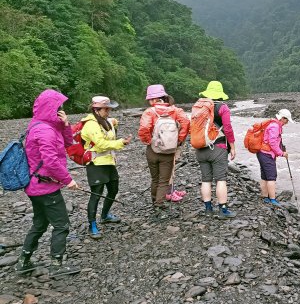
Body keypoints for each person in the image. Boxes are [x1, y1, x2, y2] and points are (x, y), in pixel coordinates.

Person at [16, 89, 80, 277]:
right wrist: (68, 180)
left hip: (35, 186)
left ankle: (23, 262)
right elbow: (51, 161)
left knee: (40, 223)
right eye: (59, 107)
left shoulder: (41, 125)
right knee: (61, 225)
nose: (61, 109)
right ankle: (56, 265)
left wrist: (66, 124)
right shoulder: (45, 130)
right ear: (52, 108)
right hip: (45, 187)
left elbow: (68, 143)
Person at [80, 96, 132, 238]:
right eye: (106, 109)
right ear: (97, 110)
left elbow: (111, 127)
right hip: (96, 164)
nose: (109, 111)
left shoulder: (105, 121)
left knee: (113, 189)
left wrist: (114, 123)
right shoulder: (91, 125)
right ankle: (92, 225)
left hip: (109, 162)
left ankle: (104, 216)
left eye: (109, 109)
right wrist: (121, 142)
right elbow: (101, 144)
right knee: (96, 194)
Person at [138, 84, 190, 219]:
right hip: (168, 150)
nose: (150, 102)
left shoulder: (149, 112)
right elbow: (186, 123)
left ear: (154, 99)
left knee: (155, 178)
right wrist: (179, 140)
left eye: (150, 99)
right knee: (163, 180)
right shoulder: (175, 110)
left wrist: (149, 141)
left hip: (152, 150)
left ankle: (155, 201)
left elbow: (143, 128)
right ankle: (159, 204)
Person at [194, 81, 237, 219]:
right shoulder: (222, 107)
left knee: (206, 180)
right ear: (220, 93)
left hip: (200, 147)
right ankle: (223, 210)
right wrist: (233, 146)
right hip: (218, 148)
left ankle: (208, 209)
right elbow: (228, 128)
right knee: (220, 179)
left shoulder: (199, 107)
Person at [257, 108, 294, 207]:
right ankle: (272, 200)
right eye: (286, 120)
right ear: (283, 118)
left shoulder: (274, 124)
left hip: (262, 153)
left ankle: (265, 197)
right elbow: (272, 143)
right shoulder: (275, 126)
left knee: (265, 176)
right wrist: (281, 153)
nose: (287, 123)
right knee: (271, 177)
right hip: (267, 154)